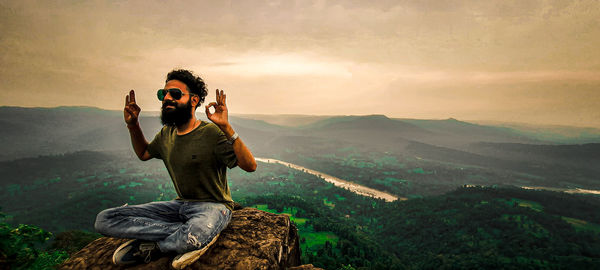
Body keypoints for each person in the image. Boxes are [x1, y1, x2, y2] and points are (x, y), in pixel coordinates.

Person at [94, 69, 257, 269]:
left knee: (195, 231)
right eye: (163, 94)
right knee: (105, 219)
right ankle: (188, 234)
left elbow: (250, 166)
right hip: (180, 206)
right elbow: (144, 153)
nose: (167, 98)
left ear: (194, 100)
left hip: (214, 206)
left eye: (176, 94)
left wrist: (227, 127)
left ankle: (157, 247)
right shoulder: (166, 134)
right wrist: (133, 125)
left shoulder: (211, 133)